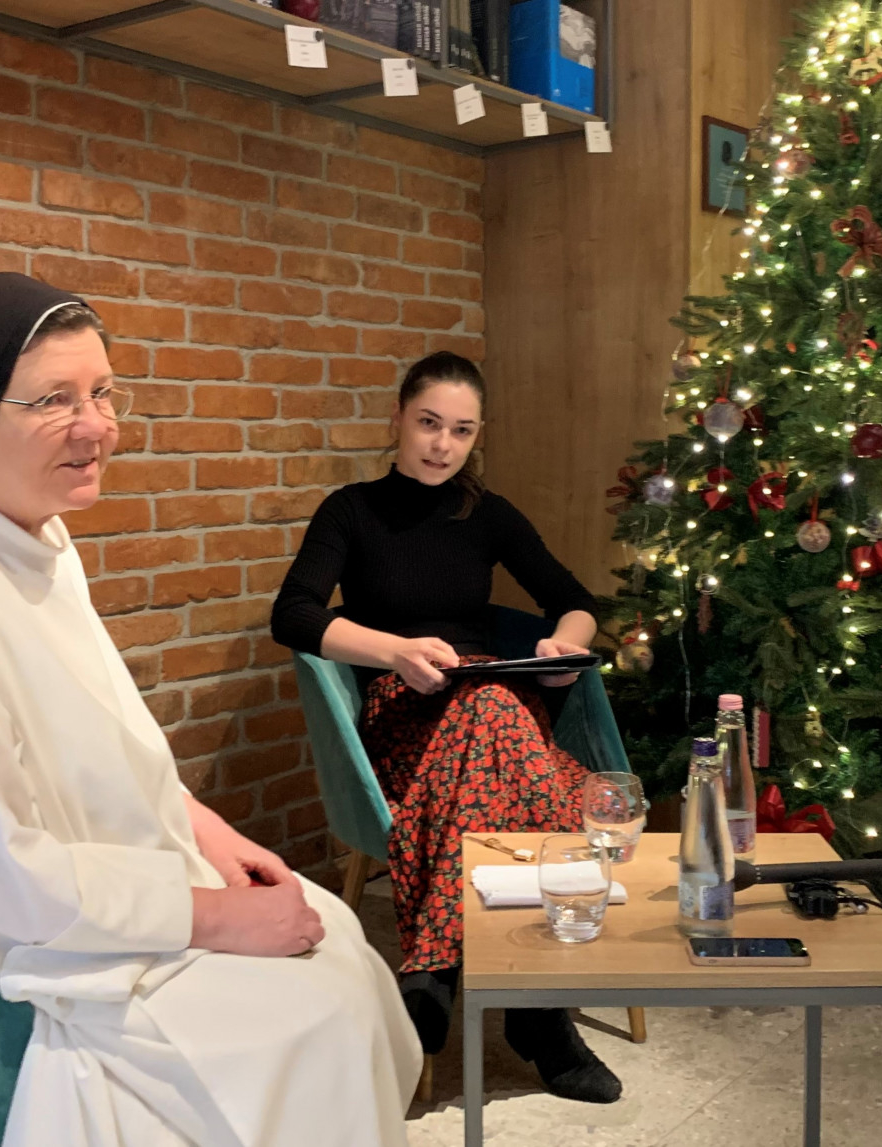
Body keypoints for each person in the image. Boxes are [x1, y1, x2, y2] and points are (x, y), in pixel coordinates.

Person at [0, 273, 421, 1147]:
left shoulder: (31, 533)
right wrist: (214, 916)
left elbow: (102, 736)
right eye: (54, 400)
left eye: (104, 392)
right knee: (314, 1015)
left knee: (336, 940)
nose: (98, 427)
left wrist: (203, 828)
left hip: (76, 895)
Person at [270, 351, 621, 1104]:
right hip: (405, 716)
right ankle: (540, 1018)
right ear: (398, 418)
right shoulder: (350, 510)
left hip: (492, 711)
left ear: (477, 435)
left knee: (491, 705)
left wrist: (562, 647)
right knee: (521, 755)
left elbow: (576, 600)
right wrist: (393, 651)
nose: (442, 444)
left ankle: (434, 970)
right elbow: (292, 613)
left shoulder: (488, 514)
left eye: (461, 430)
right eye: (429, 423)